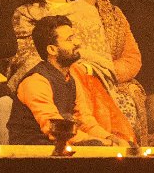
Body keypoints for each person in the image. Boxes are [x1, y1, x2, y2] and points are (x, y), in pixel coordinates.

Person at [9, 0, 141, 139]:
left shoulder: (86, 11)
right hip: (48, 80)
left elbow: (102, 58)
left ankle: (107, 143)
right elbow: (25, 57)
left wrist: (83, 67)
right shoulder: (26, 13)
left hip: (89, 80)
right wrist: (64, 67)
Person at [9, 15, 132, 147]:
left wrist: (112, 139)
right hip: (33, 152)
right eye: (69, 39)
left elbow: (85, 121)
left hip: (59, 147)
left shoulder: (70, 78)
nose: (77, 42)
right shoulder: (36, 81)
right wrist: (106, 143)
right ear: (52, 49)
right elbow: (56, 129)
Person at [75, 0, 148, 145]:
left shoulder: (115, 17)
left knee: (126, 102)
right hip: (78, 79)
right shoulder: (65, 18)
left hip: (113, 80)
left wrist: (105, 72)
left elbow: (132, 58)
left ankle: (123, 152)